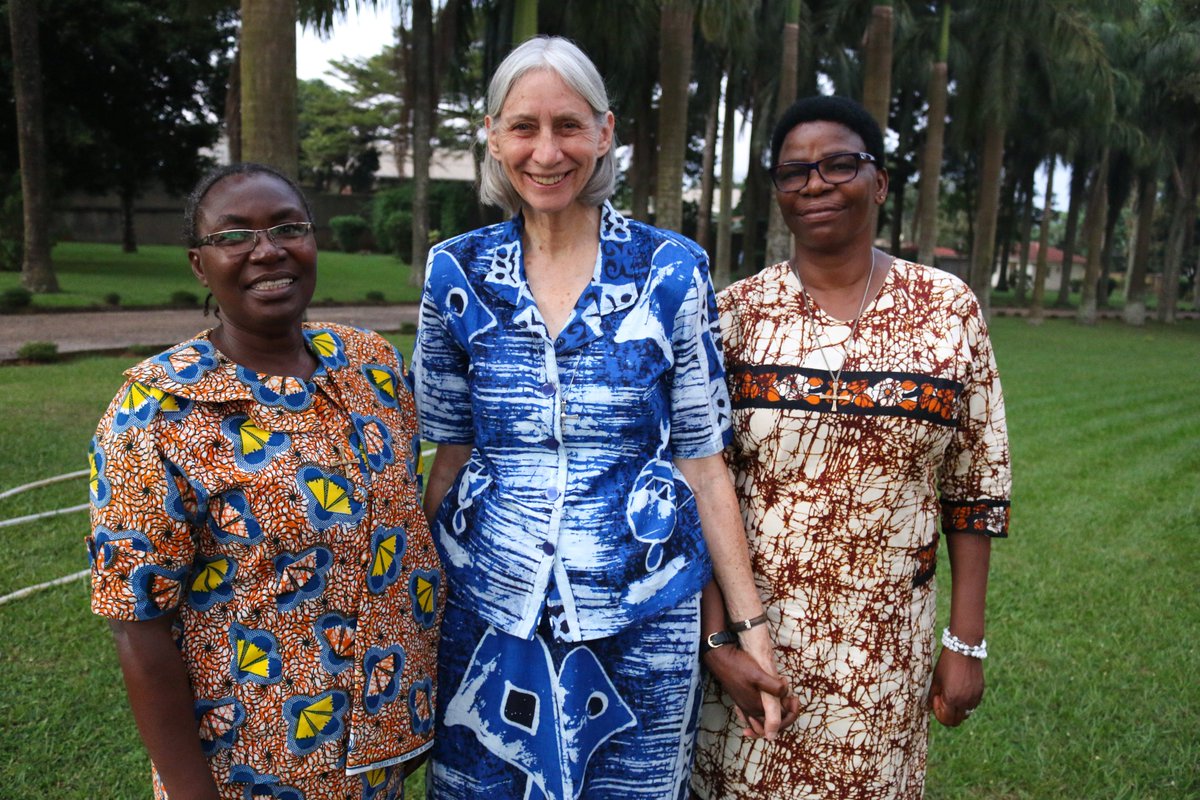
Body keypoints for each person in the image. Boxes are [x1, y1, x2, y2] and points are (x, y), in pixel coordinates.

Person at [413, 36, 782, 800]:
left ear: (605, 132)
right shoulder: (458, 271)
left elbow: (702, 459)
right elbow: (447, 455)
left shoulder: (670, 268)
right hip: (486, 602)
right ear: (492, 134)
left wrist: (748, 628)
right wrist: (410, 603)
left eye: (569, 126)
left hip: (641, 607)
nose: (546, 151)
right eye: (524, 127)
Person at [87, 162, 442, 800]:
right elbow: (137, 626)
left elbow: (397, 540)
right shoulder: (158, 411)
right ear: (200, 264)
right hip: (250, 766)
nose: (267, 250)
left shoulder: (375, 368)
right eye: (234, 236)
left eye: (288, 228)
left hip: (382, 750)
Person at [690, 95, 1011, 799]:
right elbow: (696, 484)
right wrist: (717, 647)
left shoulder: (948, 310)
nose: (815, 184)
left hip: (884, 649)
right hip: (757, 646)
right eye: (794, 172)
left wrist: (965, 643)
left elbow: (976, 487)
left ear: (881, 180)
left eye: (839, 165)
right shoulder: (732, 315)